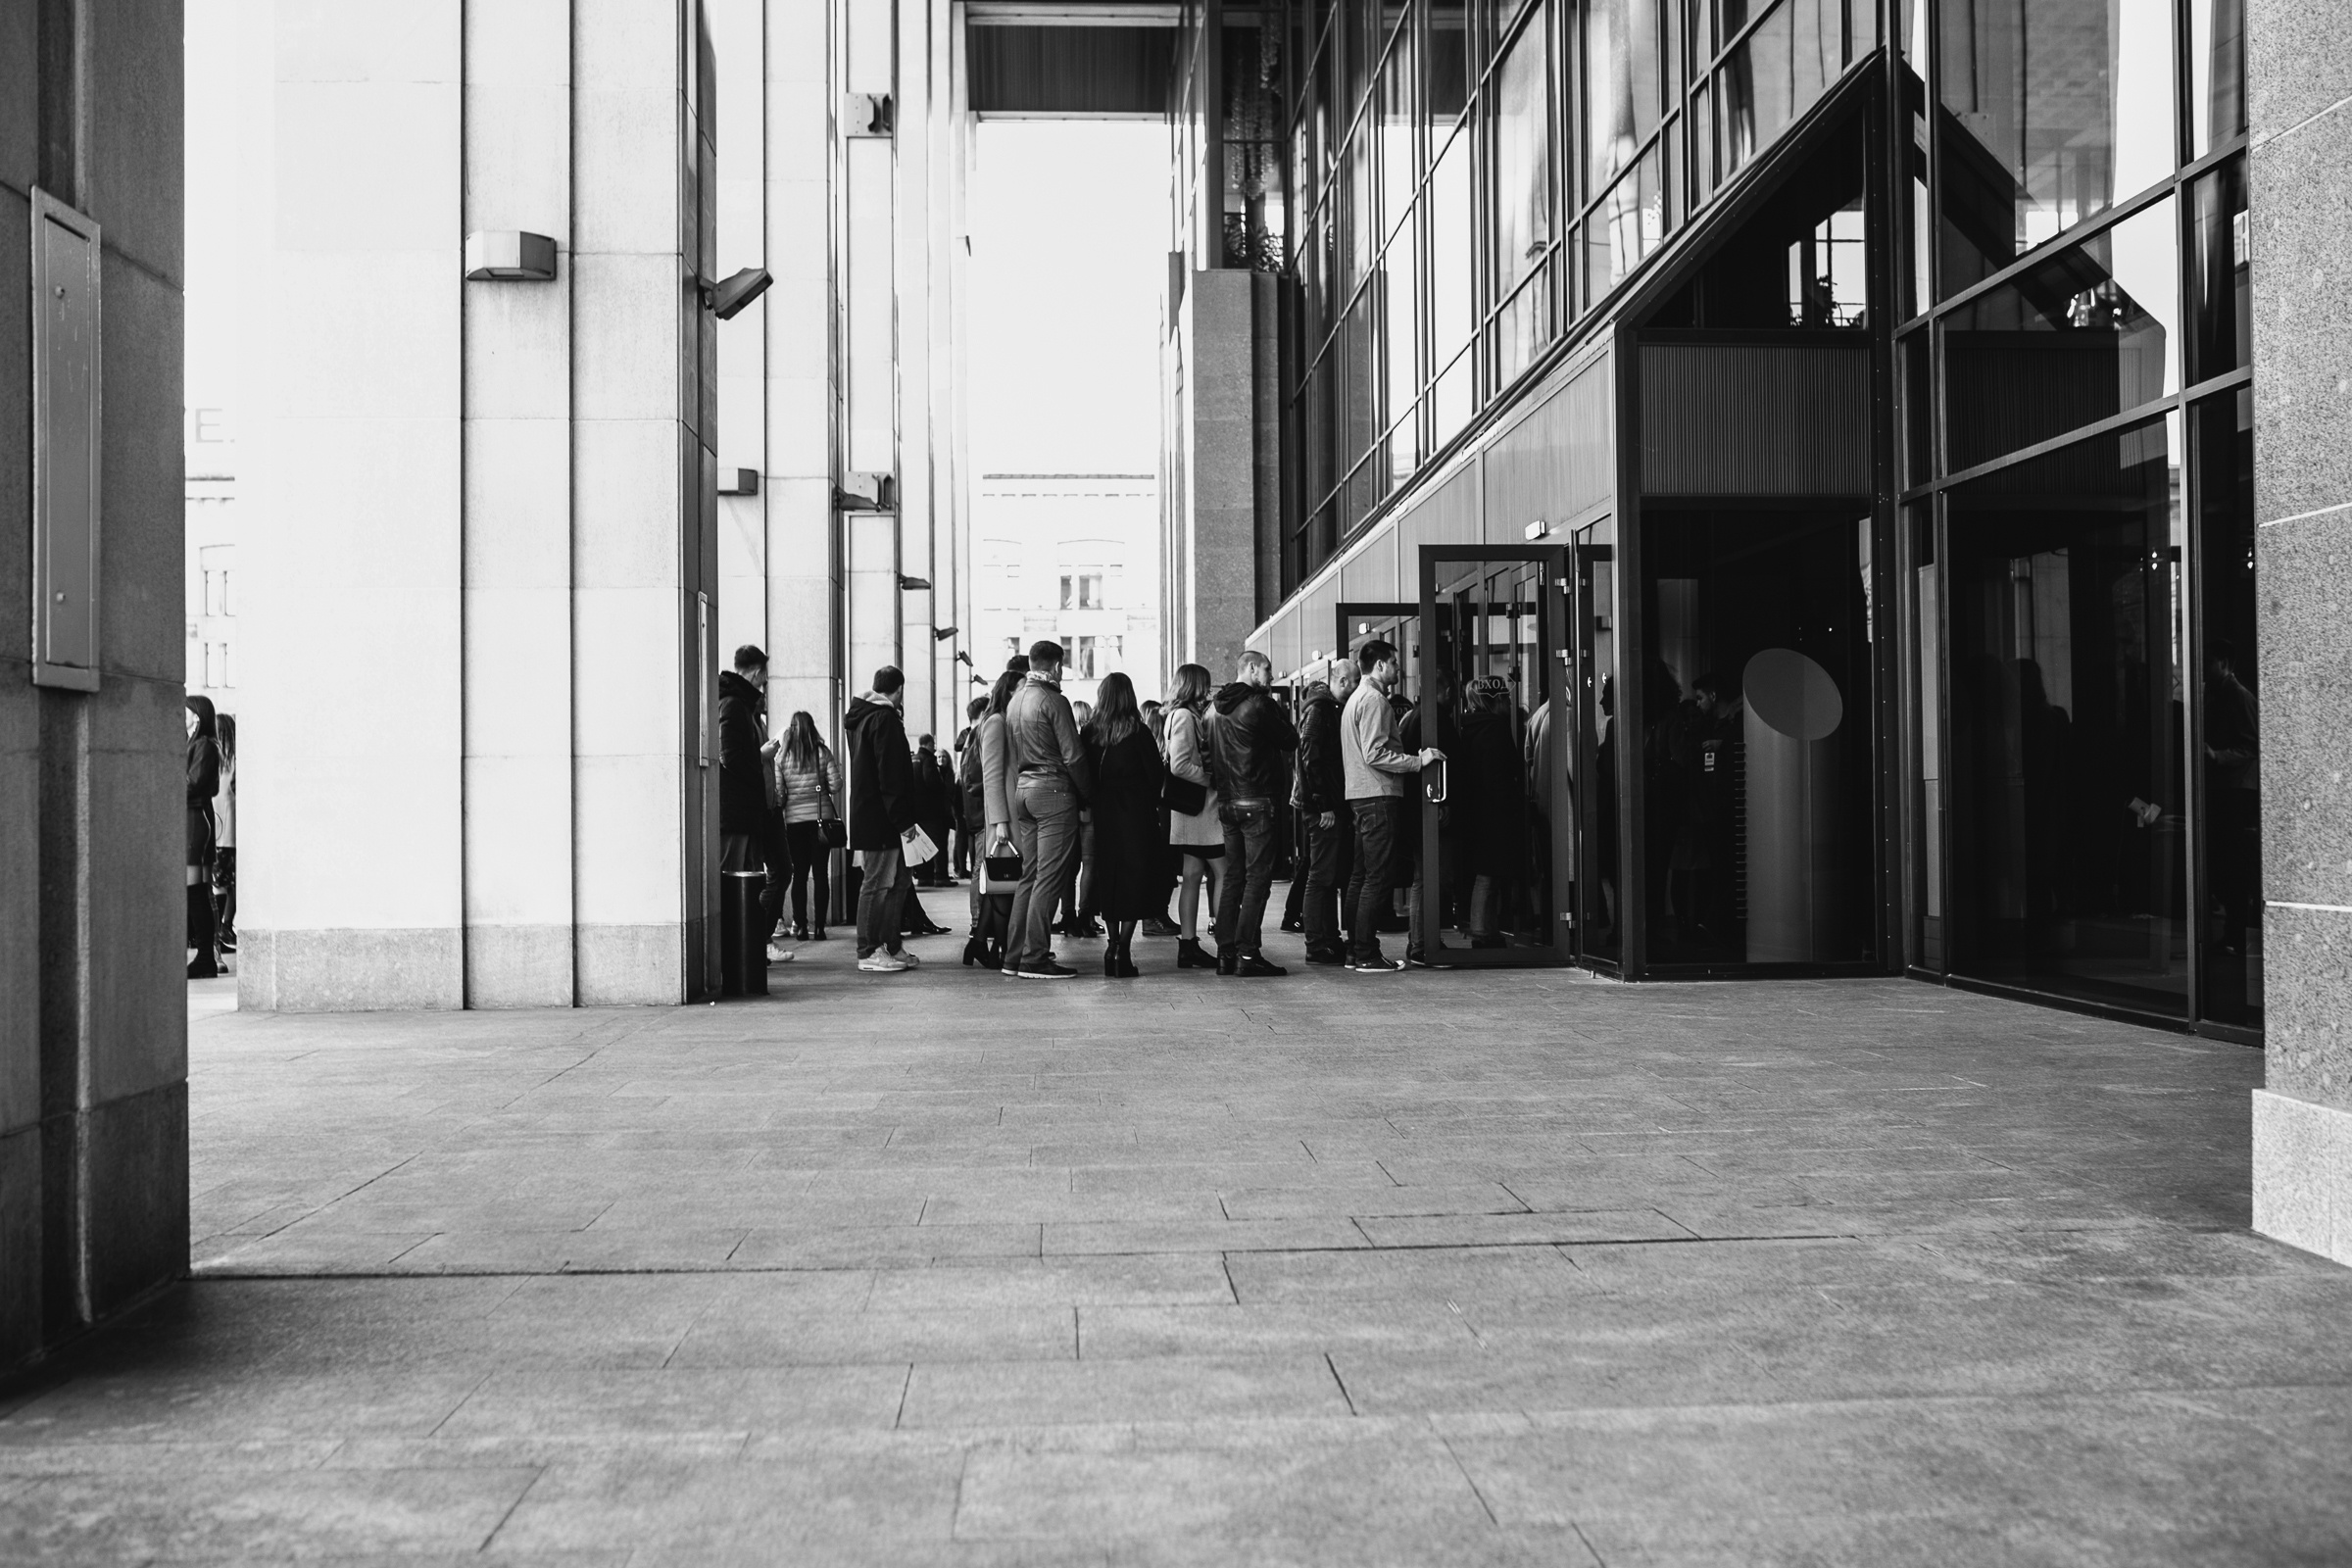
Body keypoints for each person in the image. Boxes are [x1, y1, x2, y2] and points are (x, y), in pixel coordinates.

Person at [1341, 639, 1444, 973]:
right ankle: (1366, 953)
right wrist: (1417, 761)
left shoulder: (1355, 698)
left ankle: (1355, 951)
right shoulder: (1374, 700)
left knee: (1360, 877)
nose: (1399, 669)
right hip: (1378, 796)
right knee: (1377, 878)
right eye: (1395, 663)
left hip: (1360, 796)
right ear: (1380, 665)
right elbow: (1375, 753)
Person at [1002, 640, 1094, 979]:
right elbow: (1074, 756)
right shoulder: (1054, 700)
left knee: (1030, 875)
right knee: (1050, 876)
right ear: (1055, 667)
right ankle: (1035, 957)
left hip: (1024, 792)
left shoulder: (1015, 701)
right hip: (1053, 793)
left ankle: (1014, 956)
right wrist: (1087, 794)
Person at [1208, 650, 1299, 977]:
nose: (1271, 676)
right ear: (1250, 668)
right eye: (1267, 669)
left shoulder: (1213, 709)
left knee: (1233, 877)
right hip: (1257, 800)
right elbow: (1290, 739)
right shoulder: (1259, 705)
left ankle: (1225, 953)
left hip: (1227, 802)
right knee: (1258, 879)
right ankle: (1247, 954)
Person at [1080, 672, 1170, 977]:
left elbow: (1083, 771)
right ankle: (1123, 950)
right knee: (1135, 879)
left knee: (1110, 877)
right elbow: (1156, 775)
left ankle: (1111, 945)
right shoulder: (1138, 731)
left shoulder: (1090, 732)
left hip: (1104, 812)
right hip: (1136, 814)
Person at [844, 666, 927, 973]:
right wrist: (904, 821)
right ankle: (868, 950)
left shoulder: (863, 718)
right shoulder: (883, 719)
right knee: (878, 883)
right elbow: (890, 775)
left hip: (877, 815)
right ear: (900, 690)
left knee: (898, 881)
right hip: (884, 818)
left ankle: (890, 944)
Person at [717, 646, 792, 962]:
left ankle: (745, 951)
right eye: (764, 676)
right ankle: (736, 954)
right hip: (737, 814)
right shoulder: (734, 705)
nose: (765, 684)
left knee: (747, 880)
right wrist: (760, 756)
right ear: (758, 672)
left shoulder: (736, 704)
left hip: (745, 813)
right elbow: (730, 757)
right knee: (735, 882)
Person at [1294, 660, 1356, 964]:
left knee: (1327, 876)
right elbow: (1311, 758)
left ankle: (1328, 940)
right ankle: (1316, 944)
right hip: (1322, 807)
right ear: (1342, 681)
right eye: (1354, 681)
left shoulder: (1326, 707)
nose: (1356, 687)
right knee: (1320, 876)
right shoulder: (1320, 710)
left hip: (1325, 803)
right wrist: (1323, 805)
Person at [1457, 674, 1527, 947]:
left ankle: (1487, 929)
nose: (1509, 703)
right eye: (1505, 698)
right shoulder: (1495, 729)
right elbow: (1500, 775)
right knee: (1489, 875)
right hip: (1494, 812)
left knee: (1486, 873)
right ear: (1493, 701)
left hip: (1474, 810)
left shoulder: (1467, 727)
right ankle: (1483, 932)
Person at [1163, 663, 1224, 968]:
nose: (1208, 691)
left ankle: (1188, 945)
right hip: (1200, 812)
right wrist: (1210, 779)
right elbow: (1179, 765)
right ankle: (1226, 942)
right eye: (1205, 685)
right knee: (1224, 872)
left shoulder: (1176, 714)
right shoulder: (1185, 717)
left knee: (1192, 876)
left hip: (1189, 812)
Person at [966, 668, 1024, 968]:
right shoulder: (996, 722)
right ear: (1009, 691)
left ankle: (981, 944)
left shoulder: (1006, 721)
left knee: (1003, 883)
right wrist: (1000, 821)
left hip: (1011, 815)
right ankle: (1002, 950)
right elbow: (991, 776)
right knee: (1004, 884)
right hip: (1004, 821)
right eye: (1021, 687)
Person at [772, 710, 840, 942]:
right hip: (821, 821)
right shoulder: (822, 753)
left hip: (795, 822)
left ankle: (800, 926)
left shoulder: (782, 757)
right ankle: (819, 928)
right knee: (820, 874)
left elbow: (779, 795)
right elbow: (836, 785)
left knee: (799, 874)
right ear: (812, 728)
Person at [185, 697, 223, 978]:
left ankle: (205, 958)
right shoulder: (197, 744)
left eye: (184, 711)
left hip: (194, 819)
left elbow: (193, 783)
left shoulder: (204, 745)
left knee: (195, 890)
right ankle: (205, 957)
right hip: (194, 817)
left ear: (196, 717)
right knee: (197, 890)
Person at [212, 711, 238, 956]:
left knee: (219, 884)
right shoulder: (235, 762)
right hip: (231, 835)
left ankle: (220, 933)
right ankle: (225, 928)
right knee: (232, 884)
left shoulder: (214, 760)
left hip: (216, 832)